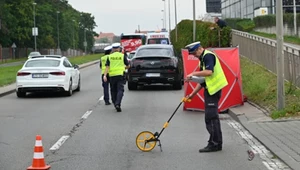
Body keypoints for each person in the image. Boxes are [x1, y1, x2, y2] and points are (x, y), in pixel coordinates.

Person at [184, 41, 228, 153]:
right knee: (211, 117)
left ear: (199, 49)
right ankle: (215, 142)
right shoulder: (202, 60)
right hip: (210, 90)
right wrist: (192, 95)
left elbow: (209, 72)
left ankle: (215, 144)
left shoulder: (208, 56)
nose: (194, 55)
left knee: (211, 117)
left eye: (194, 53)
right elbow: (203, 81)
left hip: (214, 90)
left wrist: (193, 74)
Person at [103, 43, 130, 112]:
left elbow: (107, 67)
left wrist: (105, 75)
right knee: (120, 90)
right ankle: (118, 103)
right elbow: (128, 65)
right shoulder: (122, 56)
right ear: (118, 49)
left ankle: (115, 102)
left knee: (113, 90)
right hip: (120, 75)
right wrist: (123, 68)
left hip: (112, 75)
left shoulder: (109, 56)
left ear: (113, 49)